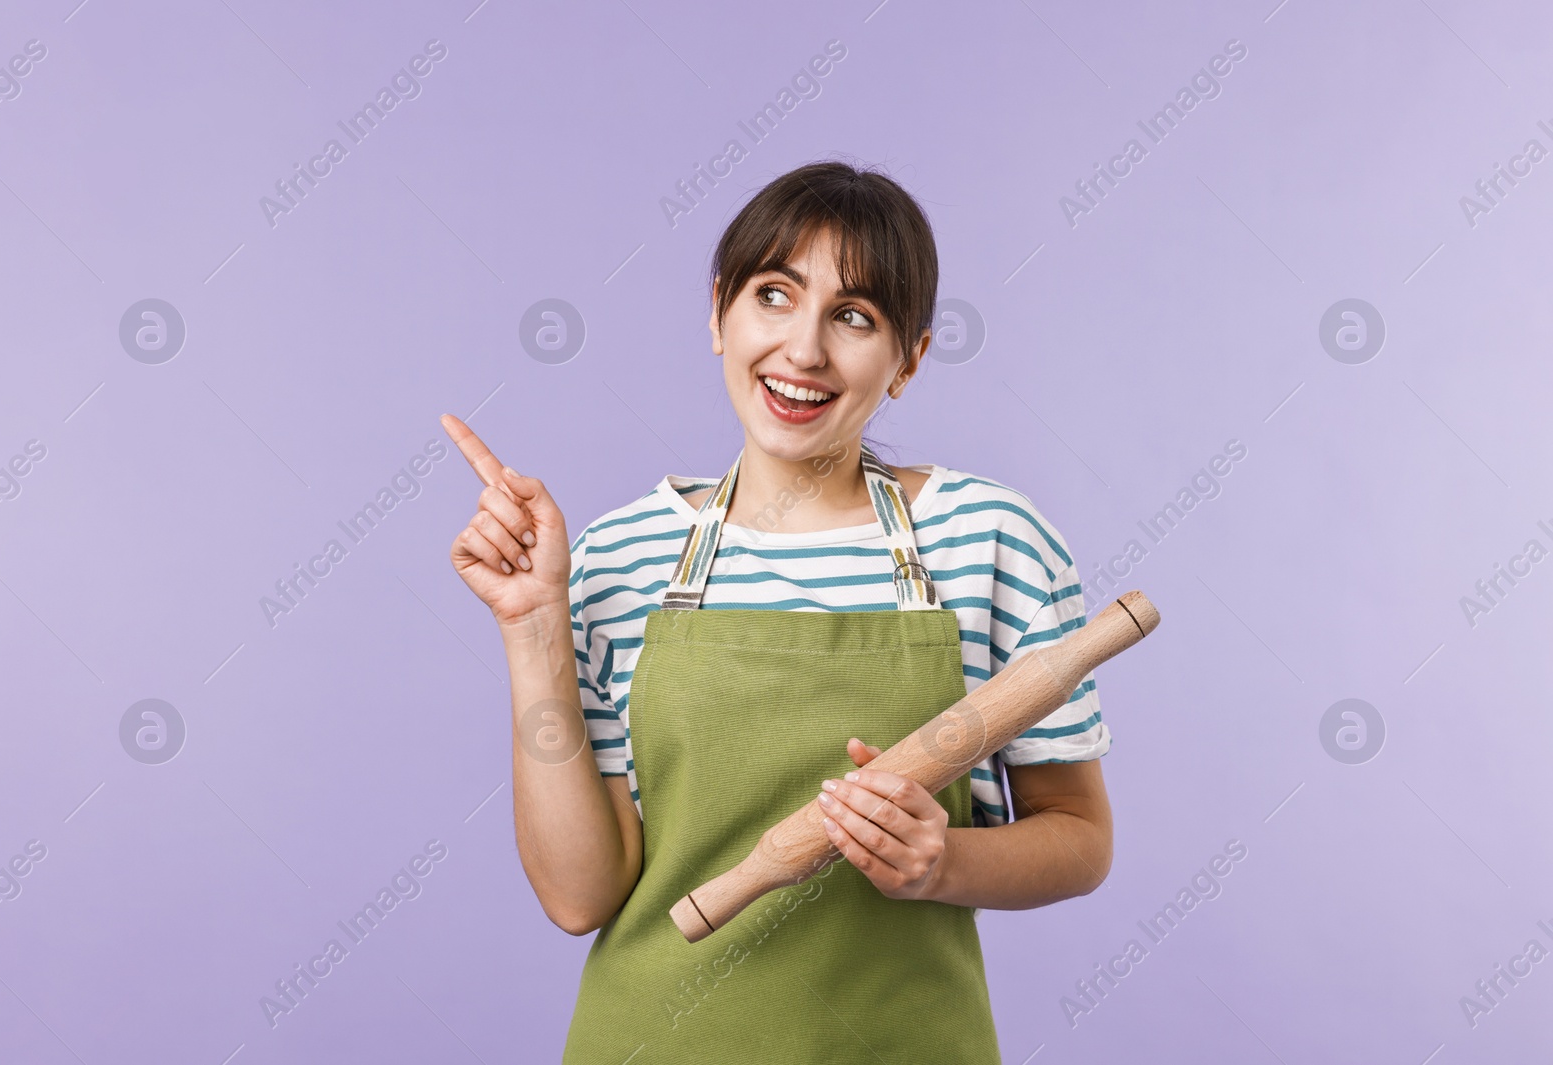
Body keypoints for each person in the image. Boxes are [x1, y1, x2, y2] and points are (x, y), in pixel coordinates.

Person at [441, 160, 1114, 1062]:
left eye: (854, 316)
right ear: (718, 312)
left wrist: (943, 862)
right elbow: (579, 895)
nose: (803, 350)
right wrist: (533, 631)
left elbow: (1080, 836)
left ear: (908, 359)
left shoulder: (988, 539)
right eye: (773, 295)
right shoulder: (613, 557)